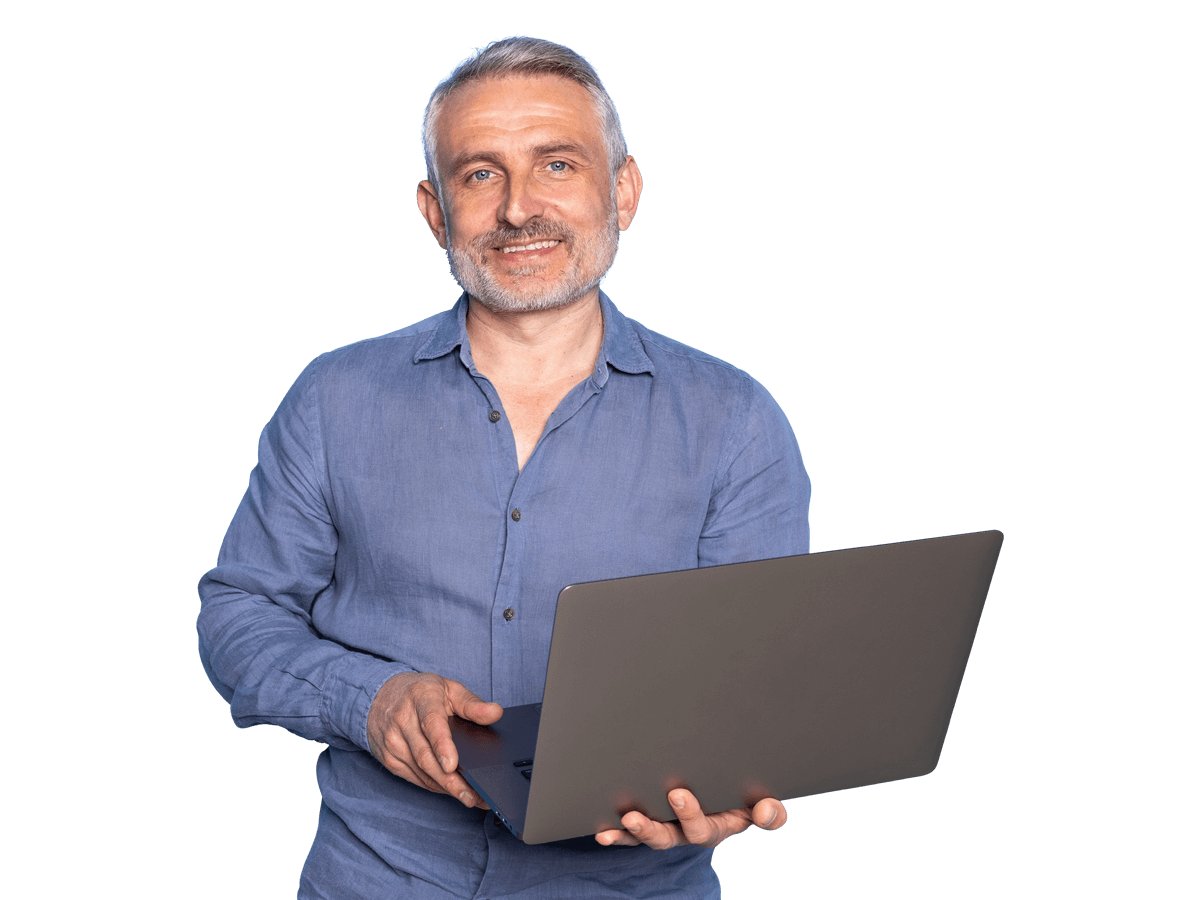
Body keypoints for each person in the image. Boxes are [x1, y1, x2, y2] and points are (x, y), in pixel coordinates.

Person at [197, 36, 810, 899]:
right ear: (435, 210)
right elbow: (239, 611)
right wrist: (366, 701)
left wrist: (735, 777)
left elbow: (763, 678)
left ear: (624, 190)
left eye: (557, 164)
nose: (519, 208)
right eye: (480, 174)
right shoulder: (332, 397)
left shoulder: (737, 419)